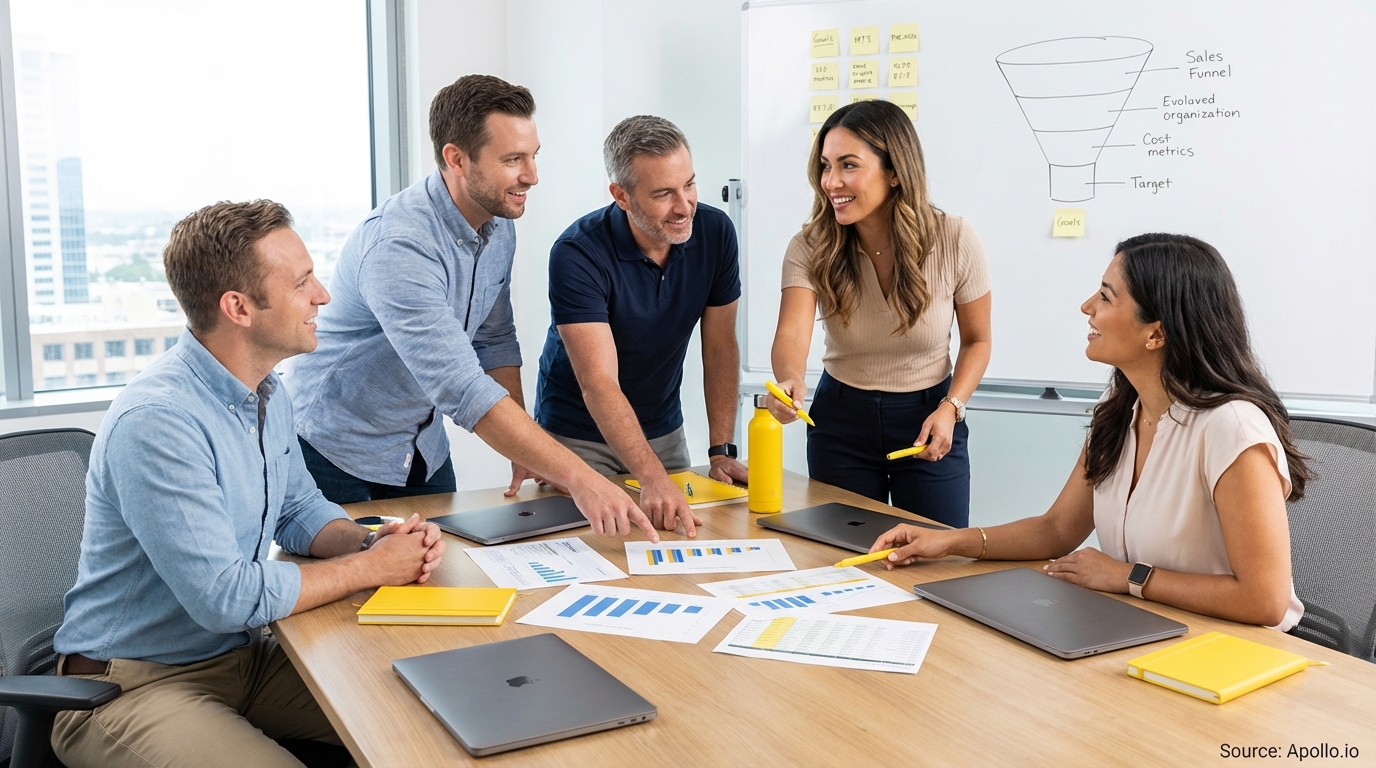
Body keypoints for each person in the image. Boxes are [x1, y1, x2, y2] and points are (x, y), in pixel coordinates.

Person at [51, 200, 448, 767]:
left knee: (430, 720)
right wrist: (370, 569)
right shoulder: (158, 421)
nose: (324, 297)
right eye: (302, 283)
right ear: (237, 307)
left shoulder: (266, 392)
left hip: (244, 656)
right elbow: (223, 597)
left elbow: (299, 510)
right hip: (130, 687)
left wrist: (371, 541)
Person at [285, 74, 656, 541]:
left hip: (422, 445)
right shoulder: (400, 245)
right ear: (456, 159)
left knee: (443, 577)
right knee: (352, 603)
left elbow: (493, 338)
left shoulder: (498, 224)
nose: (532, 176)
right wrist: (583, 478)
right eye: (512, 160)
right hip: (335, 449)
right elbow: (462, 386)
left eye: (533, 155)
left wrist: (524, 446)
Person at [872, 234, 1307, 630]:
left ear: (1156, 333)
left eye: (1105, 296)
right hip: (1148, 629)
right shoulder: (1117, 412)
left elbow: (1264, 601)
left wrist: (1127, 578)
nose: (1087, 307)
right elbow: (1057, 529)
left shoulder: (1232, 428)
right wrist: (947, 542)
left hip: (1234, 655)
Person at [767, 100, 992, 528]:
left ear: (895, 170)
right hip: (841, 420)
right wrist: (790, 378)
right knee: (842, 559)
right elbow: (792, 334)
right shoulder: (809, 245)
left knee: (935, 559)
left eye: (848, 165)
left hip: (930, 418)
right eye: (825, 166)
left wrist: (952, 408)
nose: (831, 182)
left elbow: (978, 340)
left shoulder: (956, 239)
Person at [534, 116, 746, 536]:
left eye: (689, 184)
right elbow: (599, 383)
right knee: (593, 556)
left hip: (663, 430)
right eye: (664, 193)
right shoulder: (577, 253)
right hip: (577, 439)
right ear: (622, 196)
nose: (684, 206)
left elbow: (720, 347)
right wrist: (651, 477)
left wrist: (721, 450)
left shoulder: (715, 231)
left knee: (678, 550)